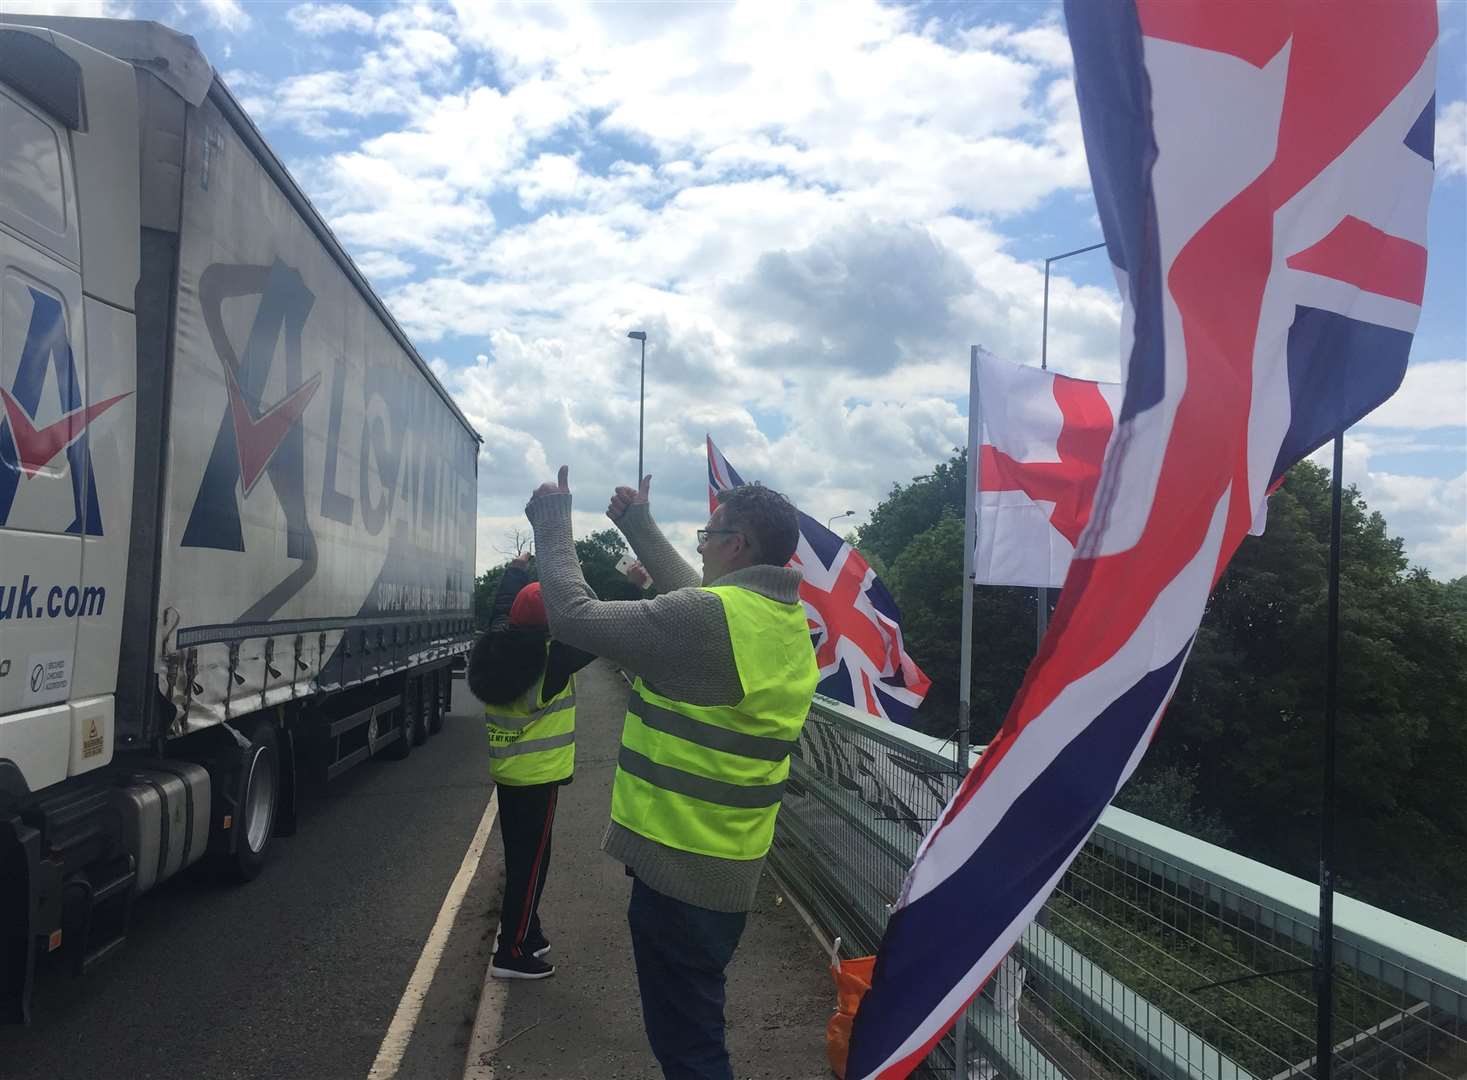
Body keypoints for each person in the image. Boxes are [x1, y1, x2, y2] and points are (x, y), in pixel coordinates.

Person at [523, 466, 818, 1080]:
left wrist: (552, 524)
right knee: (697, 1028)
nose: (701, 545)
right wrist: (638, 524)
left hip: (679, 876)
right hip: (728, 866)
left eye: (709, 533)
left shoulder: (709, 621)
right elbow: (701, 595)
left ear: (736, 545)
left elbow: (573, 617)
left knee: (691, 1050)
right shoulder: (781, 619)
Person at [467, 551, 594, 980]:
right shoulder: (551, 661)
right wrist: (635, 585)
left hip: (510, 774)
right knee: (531, 864)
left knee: (526, 857)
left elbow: (503, 609)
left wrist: (516, 573)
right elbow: (599, 630)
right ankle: (512, 951)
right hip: (539, 778)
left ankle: (529, 931)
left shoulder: (497, 647)